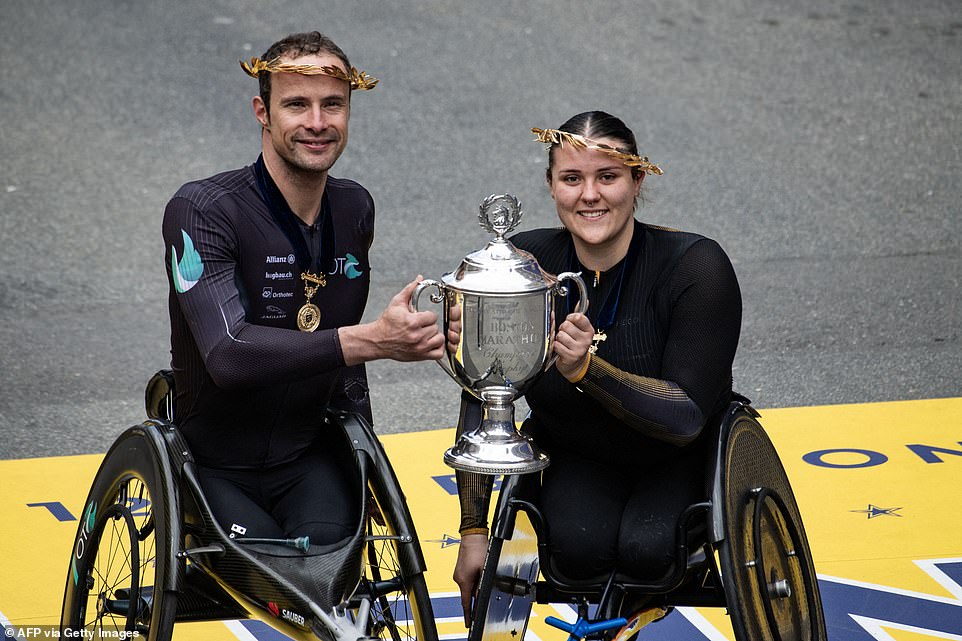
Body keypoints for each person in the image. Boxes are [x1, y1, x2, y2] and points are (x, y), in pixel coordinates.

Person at [451, 111, 742, 626]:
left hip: (673, 456)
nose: (590, 195)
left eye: (607, 177)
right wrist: (474, 534)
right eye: (572, 178)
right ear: (551, 186)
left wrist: (589, 369)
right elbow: (484, 395)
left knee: (651, 553)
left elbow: (688, 417)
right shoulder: (523, 264)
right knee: (575, 553)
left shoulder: (697, 267)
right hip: (577, 451)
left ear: (637, 180)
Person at [162, 31, 444, 548]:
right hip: (212, 467)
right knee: (280, 582)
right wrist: (374, 340)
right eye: (297, 104)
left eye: (332, 105)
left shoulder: (354, 207)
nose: (317, 123)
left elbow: (345, 368)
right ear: (262, 112)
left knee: (331, 583)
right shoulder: (202, 209)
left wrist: (368, 461)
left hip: (307, 460)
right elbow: (227, 355)